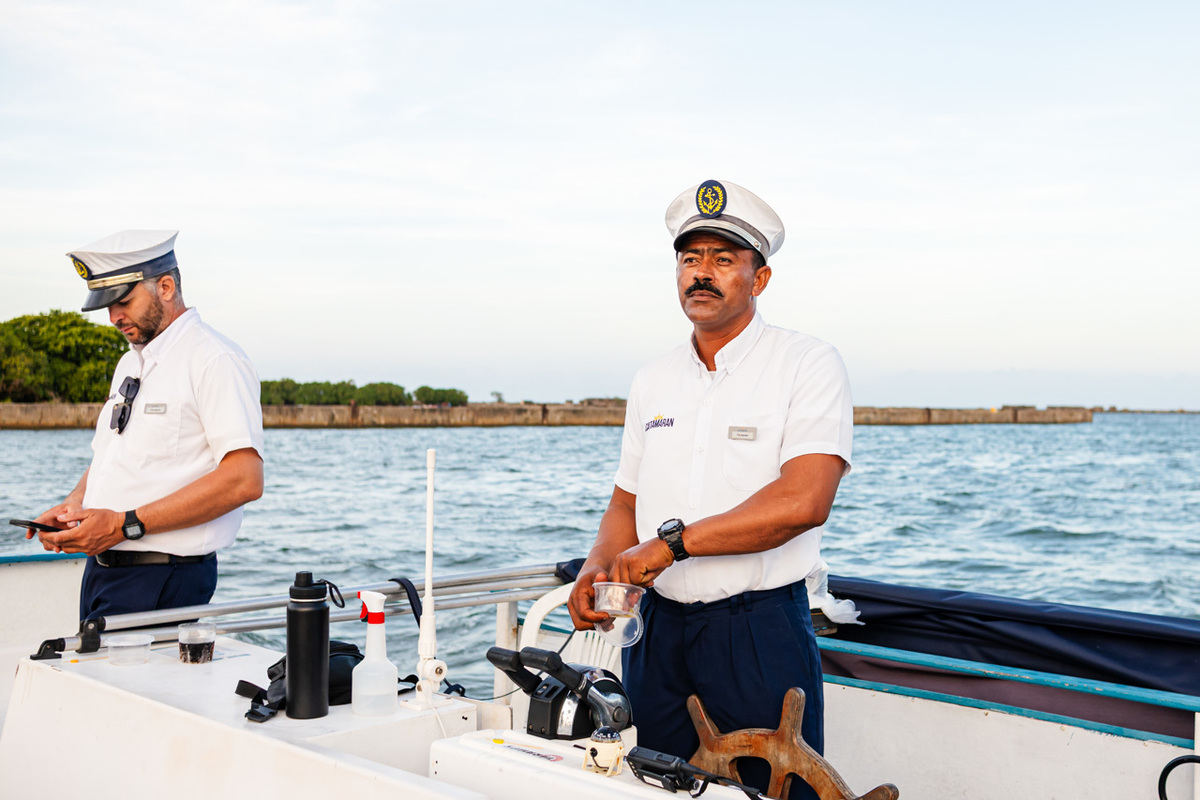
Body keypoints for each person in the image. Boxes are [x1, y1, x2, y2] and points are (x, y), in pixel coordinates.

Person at [567, 180, 853, 800]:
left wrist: (667, 549)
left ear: (761, 279)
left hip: (758, 630)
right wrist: (597, 566)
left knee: (775, 792)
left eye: (724, 260)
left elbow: (804, 500)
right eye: (690, 258)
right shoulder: (653, 379)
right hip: (657, 630)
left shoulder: (807, 363)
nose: (703, 273)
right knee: (657, 787)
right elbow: (626, 501)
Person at [28, 230, 265, 621]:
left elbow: (244, 480)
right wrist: (75, 506)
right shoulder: (130, 362)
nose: (113, 317)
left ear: (166, 287)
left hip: (164, 577)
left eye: (123, 301)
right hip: (104, 573)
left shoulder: (213, 359)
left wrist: (125, 526)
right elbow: (116, 453)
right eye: (107, 306)